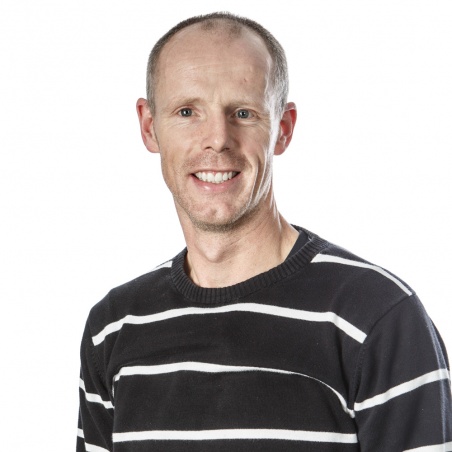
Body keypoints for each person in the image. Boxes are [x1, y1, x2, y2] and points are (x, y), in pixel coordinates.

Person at [77, 12, 452, 452]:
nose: (217, 139)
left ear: (283, 128)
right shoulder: (114, 326)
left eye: (243, 113)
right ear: (149, 126)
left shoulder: (376, 317)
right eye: (187, 112)